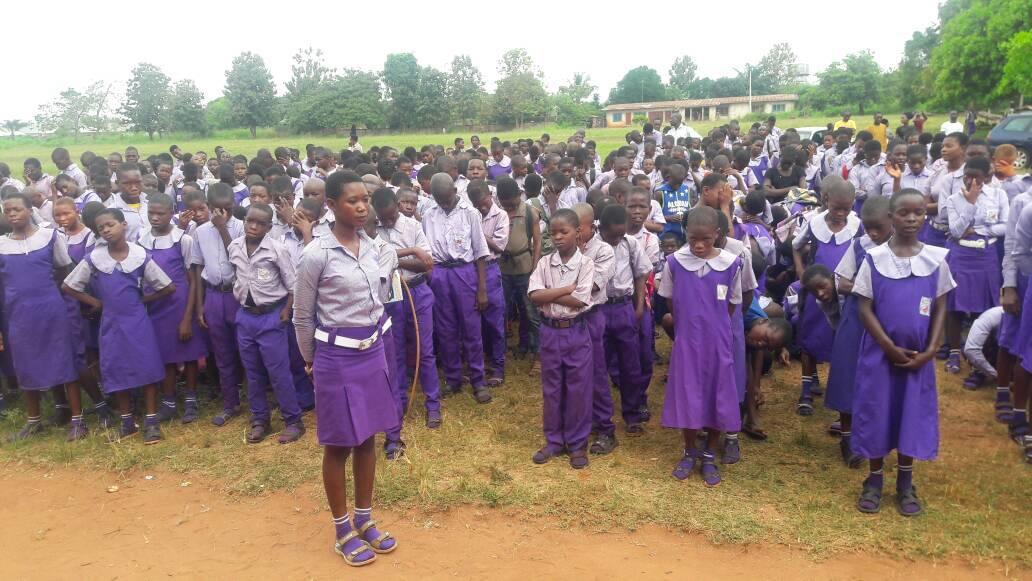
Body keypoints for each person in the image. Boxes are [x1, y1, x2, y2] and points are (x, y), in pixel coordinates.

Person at [293, 170, 399, 567]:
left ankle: (365, 519)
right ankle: (342, 529)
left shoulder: (372, 246)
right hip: (336, 358)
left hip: (372, 352)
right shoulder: (316, 254)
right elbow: (302, 316)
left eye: (365, 200)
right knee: (338, 444)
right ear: (331, 205)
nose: (361, 206)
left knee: (367, 437)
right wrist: (310, 360)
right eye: (352, 200)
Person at [852, 188, 955, 516]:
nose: (912, 219)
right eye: (904, 213)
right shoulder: (875, 259)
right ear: (891, 217)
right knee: (877, 411)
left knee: (911, 414)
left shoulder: (935, 260)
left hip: (917, 358)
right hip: (880, 356)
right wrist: (887, 346)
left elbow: (941, 306)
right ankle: (874, 480)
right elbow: (864, 307)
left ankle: (905, 483)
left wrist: (931, 349)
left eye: (919, 213)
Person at [63, 208, 175, 444]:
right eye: (101, 228)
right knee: (116, 368)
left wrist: (143, 300)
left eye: (110, 224)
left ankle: (151, 421)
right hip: (111, 323)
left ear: (123, 225)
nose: (106, 230)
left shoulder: (139, 255)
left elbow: (167, 286)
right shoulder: (94, 258)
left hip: (137, 321)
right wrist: (95, 302)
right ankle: (127, 423)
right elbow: (69, 286)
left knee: (146, 366)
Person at [660, 206, 742, 485]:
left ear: (717, 234)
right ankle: (689, 450)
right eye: (692, 238)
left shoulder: (731, 264)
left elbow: (732, 304)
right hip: (687, 341)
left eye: (705, 239)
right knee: (688, 393)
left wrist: (714, 326)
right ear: (686, 233)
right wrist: (687, 327)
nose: (698, 245)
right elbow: (670, 300)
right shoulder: (675, 263)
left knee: (717, 393)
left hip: (718, 342)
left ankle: (709, 453)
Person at [0, 194, 84, 441]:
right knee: (25, 362)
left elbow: (63, 270)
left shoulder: (50, 237)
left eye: (17, 209)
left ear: (30, 210)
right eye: (7, 210)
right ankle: (33, 420)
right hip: (18, 312)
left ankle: (77, 420)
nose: (12, 214)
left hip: (51, 309)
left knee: (64, 359)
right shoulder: (1, 245)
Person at [370, 188, 441, 455]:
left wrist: (392, 258)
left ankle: (433, 405)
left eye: (392, 216)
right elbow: (373, 261)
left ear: (397, 207)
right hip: (390, 298)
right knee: (394, 354)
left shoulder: (412, 226)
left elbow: (426, 264)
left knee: (425, 351)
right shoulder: (371, 229)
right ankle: (397, 406)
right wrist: (406, 255)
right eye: (384, 218)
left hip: (417, 291)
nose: (388, 222)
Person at [825, 195, 893, 467]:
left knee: (880, 377)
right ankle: (847, 437)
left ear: (892, 221)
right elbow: (840, 282)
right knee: (848, 375)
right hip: (855, 318)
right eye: (868, 227)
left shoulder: (901, 249)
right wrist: (867, 289)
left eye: (878, 227)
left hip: (887, 319)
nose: (873, 233)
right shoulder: (859, 245)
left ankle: (875, 433)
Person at [228, 203, 305, 444]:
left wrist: (286, 311)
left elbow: (293, 285)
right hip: (246, 316)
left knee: (278, 371)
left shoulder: (277, 250)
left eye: (260, 223)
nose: (253, 226)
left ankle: (293, 420)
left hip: (272, 315)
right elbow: (236, 276)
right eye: (250, 221)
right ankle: (260, 419)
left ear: (269, 227)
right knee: (252, 371)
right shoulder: (235, 247)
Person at [527, 208, 595, 469]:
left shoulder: (586, 264)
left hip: (575, 331)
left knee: (578, 388)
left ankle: (577, 443)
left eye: (563, 232)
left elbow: (580, 300)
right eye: (553, 233)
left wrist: (550, 292)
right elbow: (534, 295)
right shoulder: (545, 263)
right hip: (550, 331)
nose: (557, 237)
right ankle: (554, 440)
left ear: (577, 232)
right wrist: (565, 289)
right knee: (552, 387)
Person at [792, 177, 860, 415]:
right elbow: (796, 246)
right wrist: (801, 271)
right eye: (836, 208)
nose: (840, 213)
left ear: (853, 205)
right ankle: (806, 390)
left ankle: (836, 389)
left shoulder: (857, 227)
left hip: (843, 295)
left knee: (839, 339)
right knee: (810, 336)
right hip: (815, 293)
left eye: (846, 209)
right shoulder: (814, 223)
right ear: (826, 200)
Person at [421, 173, 492, 403]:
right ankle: (453, 378)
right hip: (439, 273)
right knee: (445, 329)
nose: (444, 204)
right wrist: (432, 275)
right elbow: (425, 249)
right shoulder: (429, 215)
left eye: (447, 199)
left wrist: (482, 289)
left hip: (464, 272)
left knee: (472, 329)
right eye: (439, 200)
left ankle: (478, 380)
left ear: (454, 190)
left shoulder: (470, 213)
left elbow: (480, 252)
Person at [138, 192, 208, 424]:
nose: (155, 218)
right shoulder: (142, 239)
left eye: (160, 213)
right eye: (151, 213)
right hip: (155, 303)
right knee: (165, 352)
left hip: (180, 303)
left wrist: (188, 317)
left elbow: (193, 280)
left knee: (188, 352)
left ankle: (191, 399)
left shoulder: (182, 240)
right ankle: (168, 400)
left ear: (172, 213)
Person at [941, 156, 1007, 374]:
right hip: (960, 254)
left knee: (986, 305)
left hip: (986, 255)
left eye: (975, 177)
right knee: (955, 305)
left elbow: (1006, 225)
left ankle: (981, 355)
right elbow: (956, 230)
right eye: (966, 176)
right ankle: (954, 352)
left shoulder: (998, 195)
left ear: (986, 177)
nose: (970, 181)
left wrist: (981, 230)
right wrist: (970, 203)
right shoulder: (954, 199)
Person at [191, 183, 245, 426]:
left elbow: (239, 261)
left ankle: (256, 400)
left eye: (228, 208)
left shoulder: (242, 227)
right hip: (214, 295)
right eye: (218, 209)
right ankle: (230, 403)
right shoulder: (200, 232)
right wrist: (200, 306)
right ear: (209, 207)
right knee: (222, 352)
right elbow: (198, 268)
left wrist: (223, 229)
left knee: (246, 350)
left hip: (237, 295)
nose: (223, 214)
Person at [469, 181, 510, 386]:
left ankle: (498, 366)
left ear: (490, 195)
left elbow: (500, 246)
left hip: (491, 268)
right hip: (470, 270)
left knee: (495, 321)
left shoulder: (500, 215)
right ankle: (478, 363)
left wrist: (478, 233)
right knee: (473, 321)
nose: (481, 207)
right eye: (476, 204)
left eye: (483, 202)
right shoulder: (470, 214)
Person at [497, 177, 541, 369]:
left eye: (511, 203)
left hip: (524, 268)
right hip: (503, 269)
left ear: (518, 195)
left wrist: (535, 267)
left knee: (529, 311)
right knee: (504, 310)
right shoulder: (498, 213)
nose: (509, 207)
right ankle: (511, 347)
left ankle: (536, 350)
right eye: (504, 204)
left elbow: (537, 242)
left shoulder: (530, 212)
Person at [963, 306, 1002, 389]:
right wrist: (995, 375)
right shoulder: (991, 316)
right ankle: (979, 370)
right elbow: (971, 350)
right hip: (992, 347)